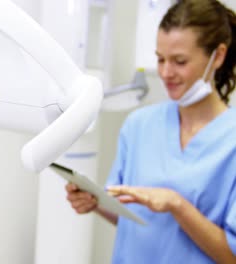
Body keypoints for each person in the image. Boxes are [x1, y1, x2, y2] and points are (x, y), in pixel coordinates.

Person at [65, 0, 236, 263]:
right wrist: (95, 202)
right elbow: (130, 215)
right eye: (160, 59)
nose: (166, 72)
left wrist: (177, 205)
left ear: (218, 56)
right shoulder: (139, 125)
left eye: (180, 61)